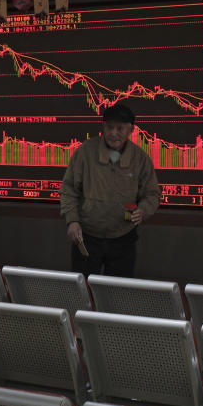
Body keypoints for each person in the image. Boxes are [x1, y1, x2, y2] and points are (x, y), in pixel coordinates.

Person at [59, 103, 160, 277]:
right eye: (109, 127)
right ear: (103, 127)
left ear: (131, 130)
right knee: (85, 292)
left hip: (123, 238)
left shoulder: (140, 158)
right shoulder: (85, 152)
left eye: (120, 128)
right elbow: (68, 189)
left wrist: (143, 210)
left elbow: (152, 194)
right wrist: (72, 221)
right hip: (87, 237)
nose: (114, 133)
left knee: (117, 293)